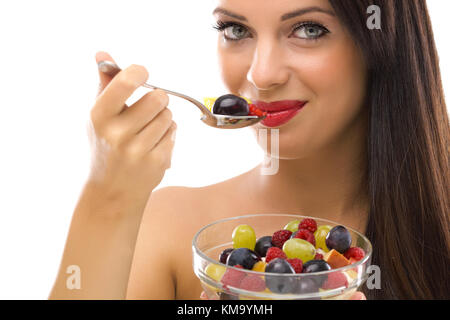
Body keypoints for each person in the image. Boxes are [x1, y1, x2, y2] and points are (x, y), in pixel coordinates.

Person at [49, 0, 449, 300]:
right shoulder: (168, 228)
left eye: (308, 29)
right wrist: (108, 194)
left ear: (381, 40)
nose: (261, 74)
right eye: (236, 30)